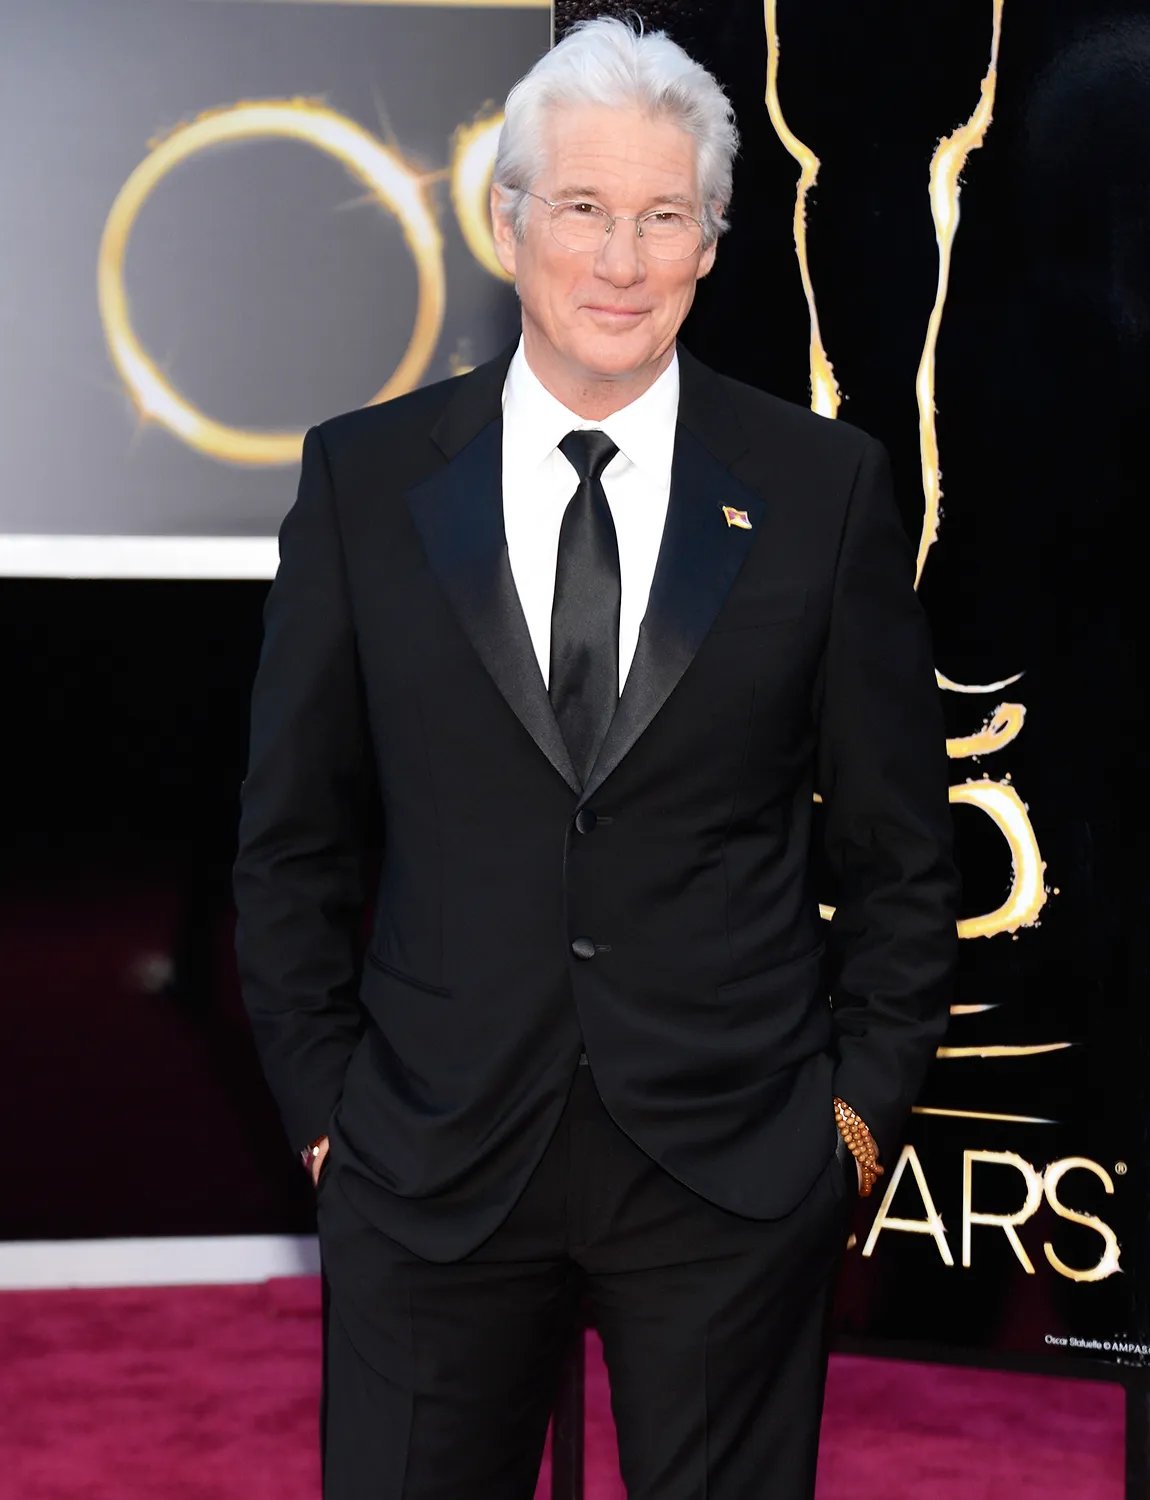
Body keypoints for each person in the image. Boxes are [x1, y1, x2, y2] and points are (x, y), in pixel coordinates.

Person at [233, 16, 959, 1498]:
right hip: (426, 1163)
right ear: (508, 226)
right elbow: (290, 843)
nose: (620, 259)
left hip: (731, 1169)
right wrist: (331, 1125)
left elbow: (900, 850)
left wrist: (847, 1128)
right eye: (581, 209)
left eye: (662, 215)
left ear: (709, 244)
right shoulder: (365, 484)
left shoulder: (822, 492)